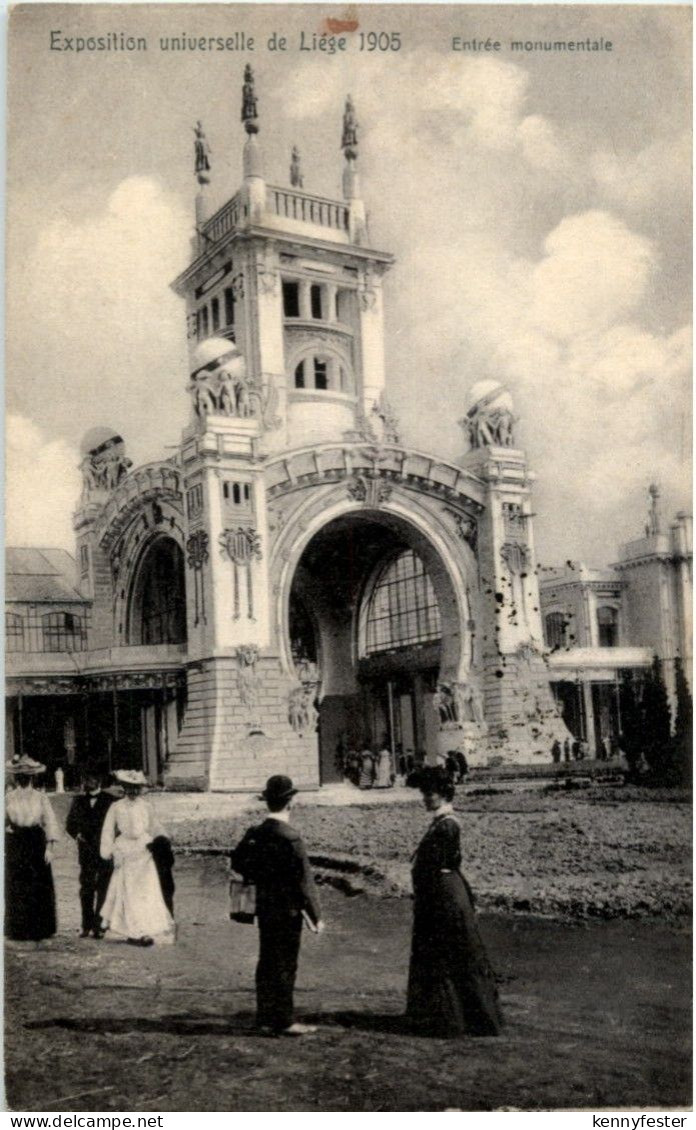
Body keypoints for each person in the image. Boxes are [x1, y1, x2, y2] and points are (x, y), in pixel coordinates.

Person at [406, 767, 503, 1038]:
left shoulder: (447, 825)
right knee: (455, 953)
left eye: (430, 794)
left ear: (443, 794)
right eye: (424, 793)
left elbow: (435, 866)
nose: (425, 798)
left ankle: (453, 1019)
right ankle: (458, 1017)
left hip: (443, 896)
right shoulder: (441, 822)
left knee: (446, 953)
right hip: (444, 893)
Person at [231, 775, 323, 1036]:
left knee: (267, 960)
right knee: (285, 963)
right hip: (289, 909)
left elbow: (238, 862)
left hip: (264, 907)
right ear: (291, 802)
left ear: (267, 803)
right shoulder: (291, 838)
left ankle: (264, 1015)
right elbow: (304, 880)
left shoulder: (256, 834)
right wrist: (316, 915)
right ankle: (283, 1019)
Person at [99, 769, 175, 946]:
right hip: (125, 850)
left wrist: (162, 840)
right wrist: (109, 851)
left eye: (136, 788)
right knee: (128, 891)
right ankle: (132, 930)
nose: (132, 792)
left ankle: (145, 929)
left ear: (140, 789)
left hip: (143, 851)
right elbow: (108, 830)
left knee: (145, 891)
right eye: (129, 788)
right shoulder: (116, 807)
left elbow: (154, 826)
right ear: (124, 788)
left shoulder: (146, 806)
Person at [5, 755, 60, 942]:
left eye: (26, 775)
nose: (23, 779)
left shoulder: (41, 797)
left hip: (36, 842)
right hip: (16, 842)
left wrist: (50, 848)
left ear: (32, 777)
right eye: (19, 775)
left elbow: (50, 822)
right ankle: (18, 930)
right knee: (18, 884)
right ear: (15, 777)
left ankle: (40, 929)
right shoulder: (8, 798)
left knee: (38, 885)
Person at [66, 767, 114, 938]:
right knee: (86, 888)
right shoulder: (78, 801)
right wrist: (77, 834)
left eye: (91, 778)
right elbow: (70, 824)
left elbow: (117, 826)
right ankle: (86, 925)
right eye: (85, 778)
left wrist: (112, 843)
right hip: (86, 851)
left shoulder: (111, 801)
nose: (87, 782)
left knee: (104, 887)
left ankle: (99, 926)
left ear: (99, 780)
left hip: (105, 850)